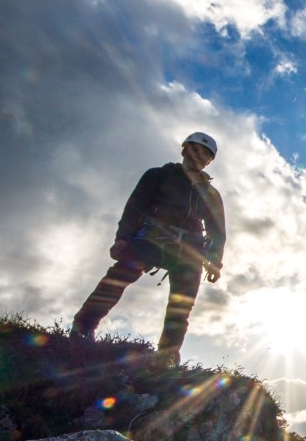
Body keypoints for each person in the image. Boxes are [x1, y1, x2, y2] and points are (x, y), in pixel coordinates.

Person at [70, 132, 226, 367]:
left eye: (204, 153)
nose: (198, 155)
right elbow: (135, 207)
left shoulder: (212, 194)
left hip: (190, 249)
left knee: (182, 303)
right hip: (152, 238)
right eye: (194, 149)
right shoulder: (159, 175)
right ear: (184, 150)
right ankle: (83, 327)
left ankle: (167, 354)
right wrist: (122, 238)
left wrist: (215, 261)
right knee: (118, 278)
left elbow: (217, 231)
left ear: (209, 161)